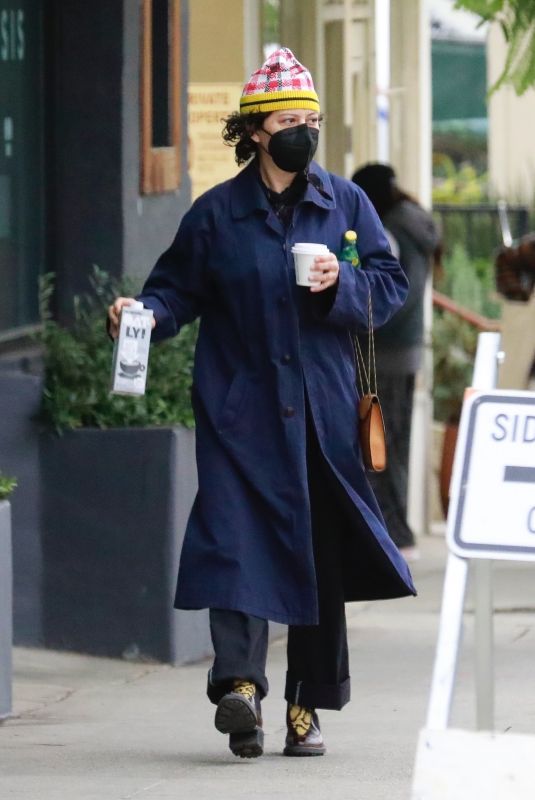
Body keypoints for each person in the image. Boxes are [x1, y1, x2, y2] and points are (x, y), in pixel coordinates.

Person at [108, 49, 416, 760]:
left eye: (310, 119)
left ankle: (306, 704)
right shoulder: (216, 215)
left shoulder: (345, 203)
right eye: (287, 120)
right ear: (253, 131)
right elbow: (175, 291)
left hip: (321, 414)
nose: (301, 131)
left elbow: (389, 286)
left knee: (319, 560)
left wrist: (342, 282)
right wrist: (143, 316)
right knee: (234, 543)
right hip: (240, 411)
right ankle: (239, 687)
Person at [351, 163, 441, 559]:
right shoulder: (415, 224)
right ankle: (395, 529)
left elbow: (388, 293)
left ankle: (391, 532)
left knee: (377, 444)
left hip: (381, 352)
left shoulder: (389, 231)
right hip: (406, 352)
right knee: (393, 444)